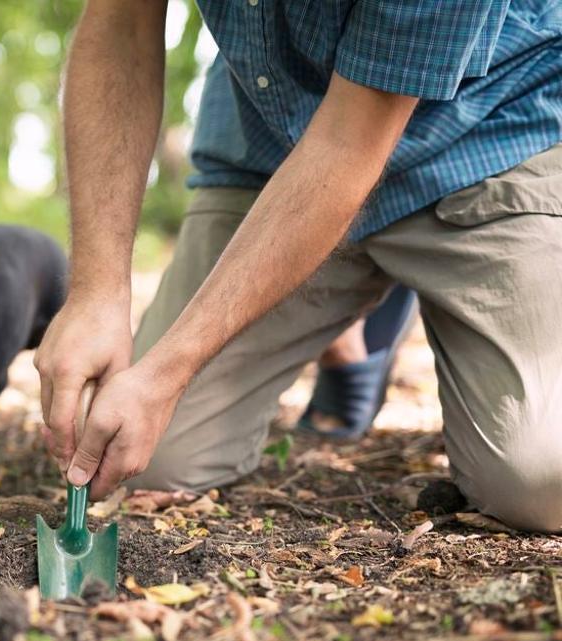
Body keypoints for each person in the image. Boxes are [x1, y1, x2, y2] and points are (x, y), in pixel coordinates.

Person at [34, 0, 562, 532]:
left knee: (542, 483)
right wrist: (96, 293)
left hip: (485, 140)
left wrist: (167, 372)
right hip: (270, 146)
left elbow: (349, 140)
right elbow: (120, 23)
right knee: (142, 456)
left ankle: (385, 302)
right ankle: (345, 329)